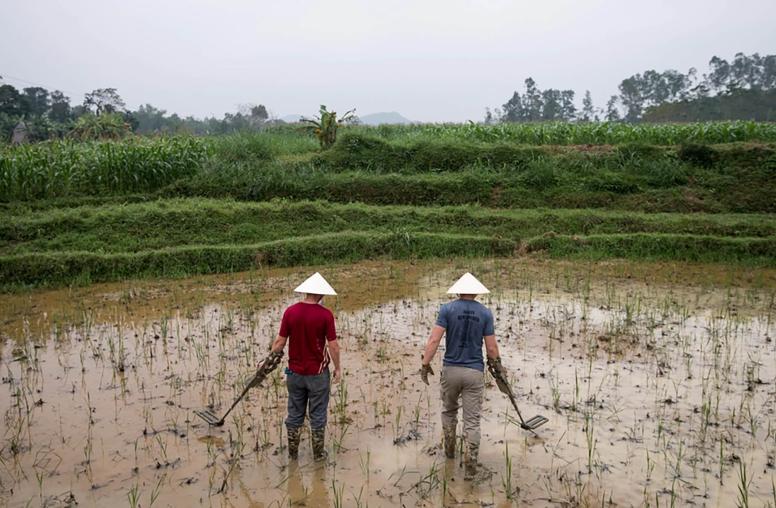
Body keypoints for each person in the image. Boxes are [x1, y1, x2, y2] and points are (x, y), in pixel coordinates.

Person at [419, 272, 507, 479]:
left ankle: (449, 453)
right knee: (472, 422)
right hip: (474, 372)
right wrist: (498, 368)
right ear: (476, 292)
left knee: (449, 411)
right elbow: (492, 348)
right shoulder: (485, 314)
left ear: (458, 290)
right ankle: (470, 467)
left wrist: (425, 364)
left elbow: (434, 340)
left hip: (450, 371)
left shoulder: (447, 309)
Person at [270, 272, 341, 461]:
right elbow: (333, 345)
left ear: (306, 292)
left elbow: (279, 342)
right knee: (317, 414)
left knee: (294, 413)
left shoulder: (290, 312)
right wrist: (338, 368)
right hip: (317, 374)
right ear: (320, 295)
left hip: (293, 373)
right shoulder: (325, 315)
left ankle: (293, 455)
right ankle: (318, 455)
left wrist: (268, 361)